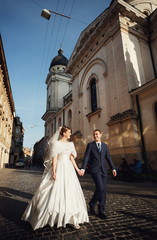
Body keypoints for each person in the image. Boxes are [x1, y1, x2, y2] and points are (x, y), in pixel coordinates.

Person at [22, 126, 89, 230]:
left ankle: (73, 218)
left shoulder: (71, 144)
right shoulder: (56, 144)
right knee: (56, 190)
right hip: (60, 168)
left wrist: (77, 169)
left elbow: (71, 158)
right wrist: (54, 172)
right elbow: (54, 159)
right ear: (63, 133)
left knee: (70, 191)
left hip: (69, 170)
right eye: (69, 132)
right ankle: (54, 216)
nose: (70, 134)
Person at [80, 129, 117, 219]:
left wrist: (113, 168)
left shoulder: (105, 146)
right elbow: (86, 157)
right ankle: (92, 204)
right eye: (94, 135)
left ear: (101, 134)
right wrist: (83, 168)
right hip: (95, 170)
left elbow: (108, 157)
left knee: (103, 190)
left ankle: (101, 210)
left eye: (97, 134)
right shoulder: (90, 145)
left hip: (104, 170)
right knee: (100, 188)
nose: (95, 136)